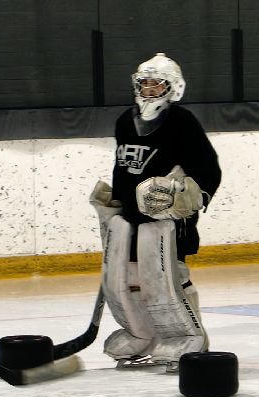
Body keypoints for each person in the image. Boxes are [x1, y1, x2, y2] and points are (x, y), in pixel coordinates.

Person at [89, 53, 221, 369]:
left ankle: (187, 337)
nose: (148, 90)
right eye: (143, 84)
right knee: (127, 279)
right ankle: (142, 334)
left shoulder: (182, 122)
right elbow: (123, 166)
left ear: (172, 88)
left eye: (155, 84)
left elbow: (207, 170)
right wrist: (116, 202)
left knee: (165, 278)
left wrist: (189, 194)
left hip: (168, 221)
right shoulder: (125, 121)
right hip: (131, 219)